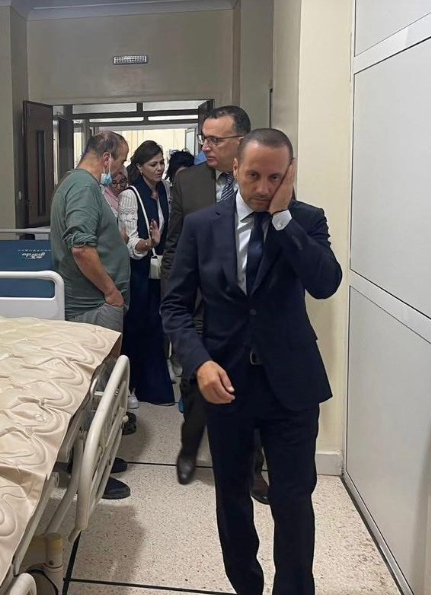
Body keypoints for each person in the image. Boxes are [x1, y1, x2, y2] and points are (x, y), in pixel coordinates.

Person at [161, 128, 342, 595]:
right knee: (233, 497)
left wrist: (282, 218)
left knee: (293, 499)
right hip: (226, 382)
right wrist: (199, 363)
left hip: (291, 384)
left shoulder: (306, 220)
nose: (263, 188)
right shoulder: (202, 225)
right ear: (236, 168)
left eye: (275, 177)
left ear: (290, 175)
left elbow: (325, 283)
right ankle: (246, 585)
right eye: (254, 176)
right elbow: (174, 307)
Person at [161, 106, 269, 503]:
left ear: (241, 142)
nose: (205, 146)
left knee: (250, 390)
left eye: (214, 140)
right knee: (196, 384)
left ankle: (252, 469)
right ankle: (189, 448)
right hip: (199, 306)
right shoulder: (187, 181)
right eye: (203, 138)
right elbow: (173, 245)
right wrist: (172, 303)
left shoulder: (261, 180)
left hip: (247, 309)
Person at [50, 130, 132, 500]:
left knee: (96, 388)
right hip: (93, 305)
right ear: (107, 157)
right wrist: (111, 293)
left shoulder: (76, 183)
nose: (121, 169)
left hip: (93, 301)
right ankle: (88, 469)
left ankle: (97, 456)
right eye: (122, 160)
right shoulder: (83, 187)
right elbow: (81, 248)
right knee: (95, 390)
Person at [117, 141, 173, 407]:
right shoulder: (130, 195)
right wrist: (150, 243)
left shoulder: (164, 189)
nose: (159, 168)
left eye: (162, 162)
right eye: (153, 164)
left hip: (160, 268)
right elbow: (129, 242)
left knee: (156, 326)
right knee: (138, 326)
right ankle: (129, 386)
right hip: (139, 271)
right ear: (139, 167)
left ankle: (153, 386)